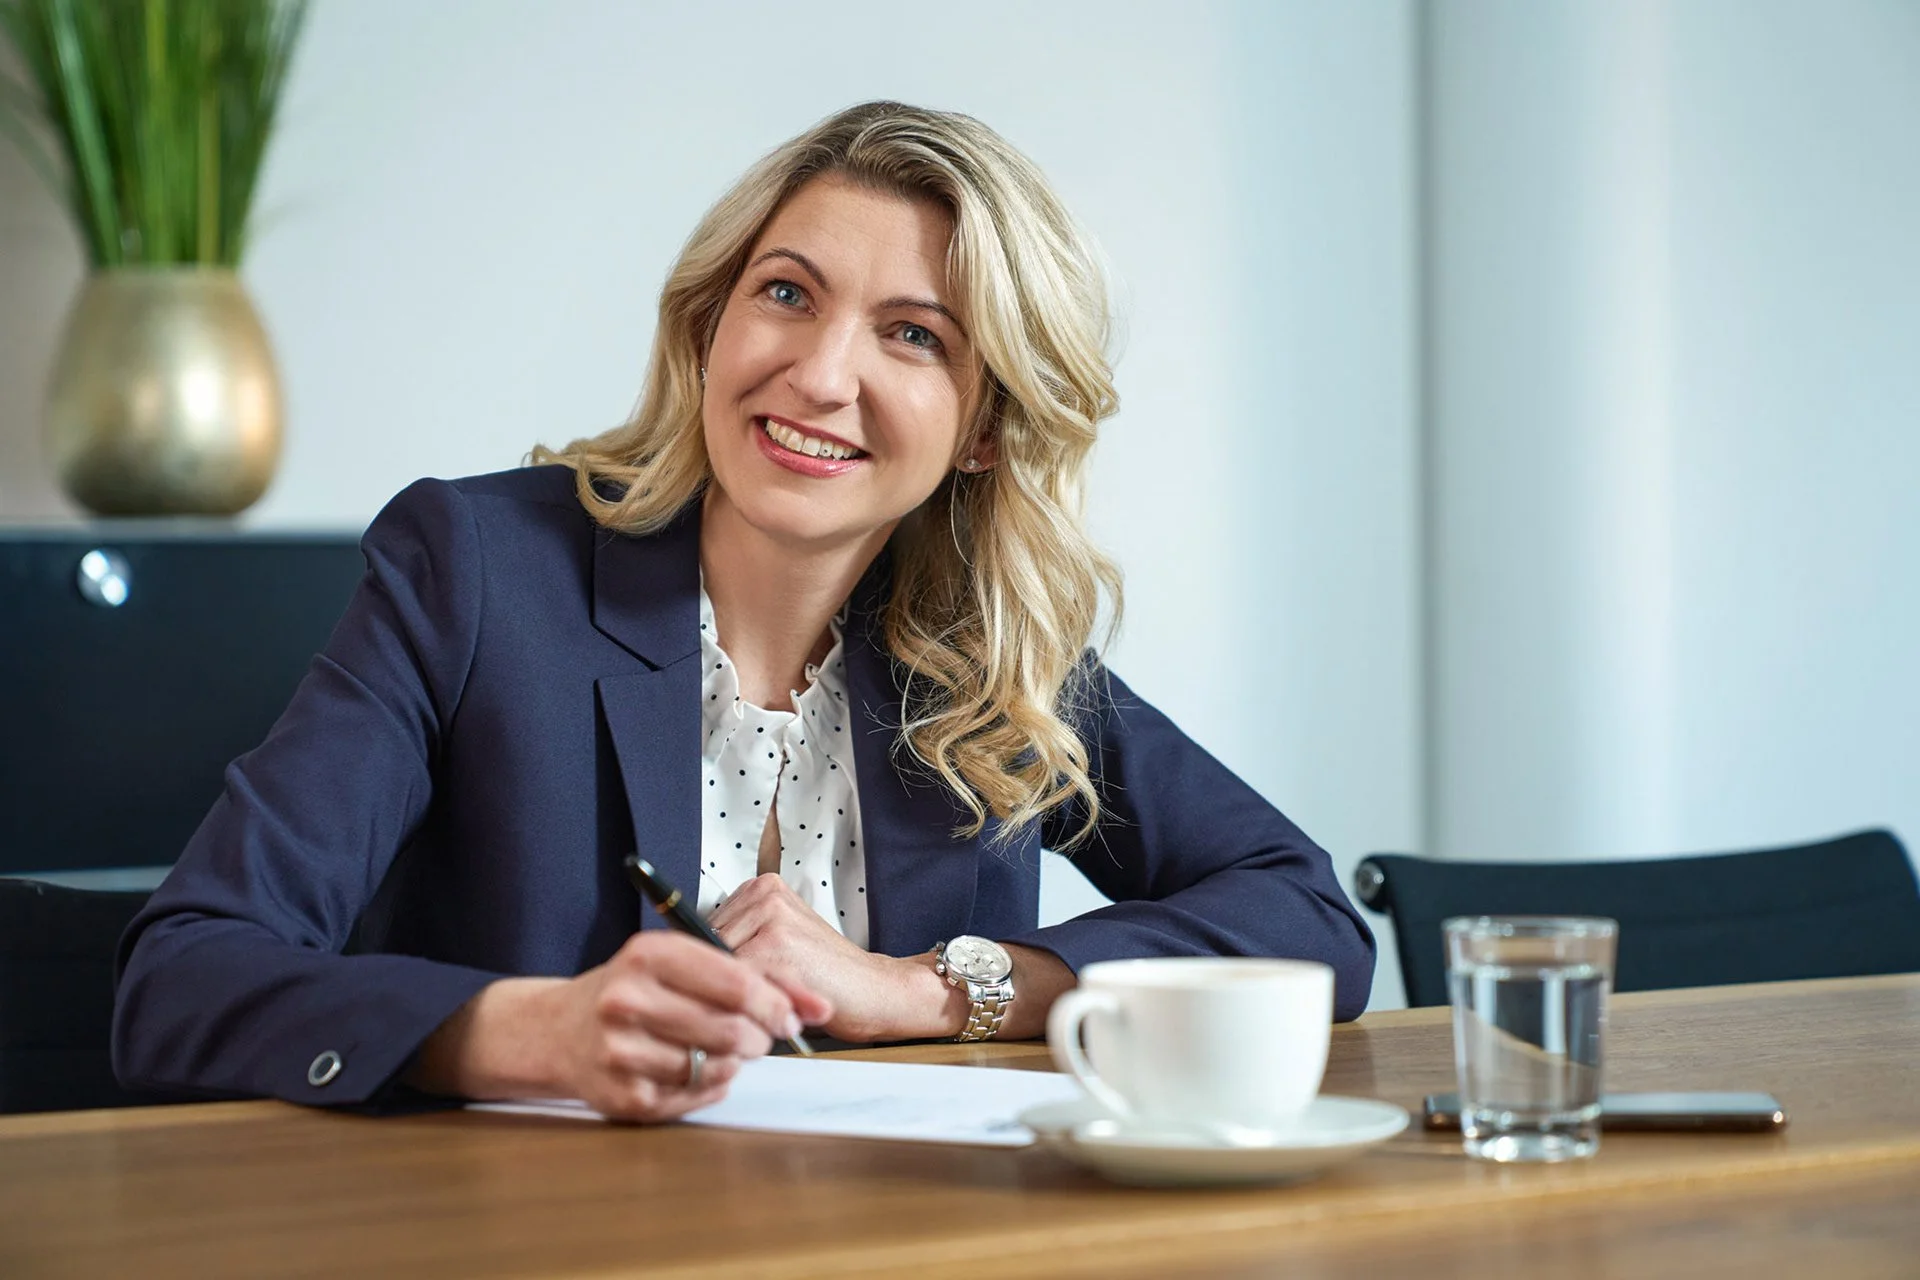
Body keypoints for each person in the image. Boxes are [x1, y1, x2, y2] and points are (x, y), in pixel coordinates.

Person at [112, 101, 1374, 1122]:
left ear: (987, 427)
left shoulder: (991, 654)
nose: (820, 374)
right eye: (786, 293)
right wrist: (528, 1030)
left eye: (915, 336)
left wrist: (932, 990)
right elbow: (183, 976)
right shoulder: (477, 568)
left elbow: (1306, 914)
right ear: (709, 319)